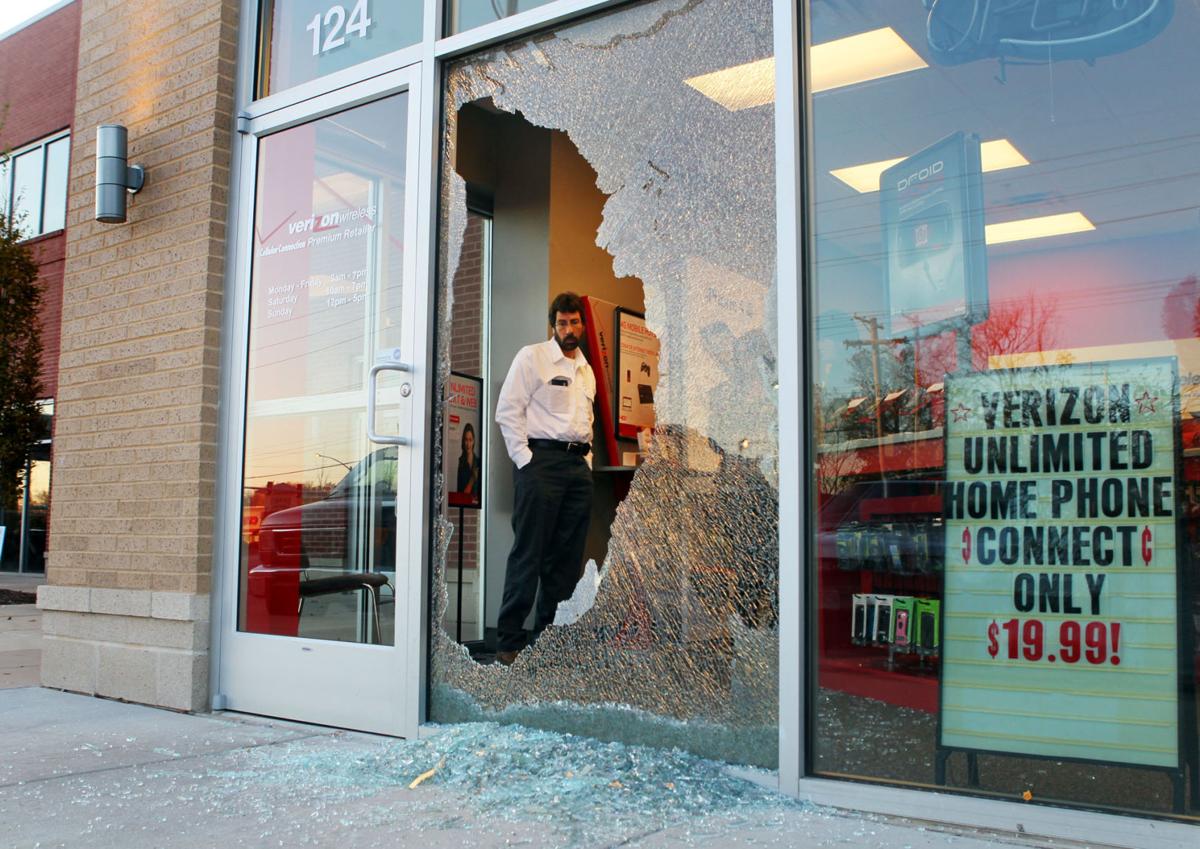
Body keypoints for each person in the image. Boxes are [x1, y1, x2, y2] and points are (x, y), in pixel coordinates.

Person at [493, 292, 596, 665]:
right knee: (529, 554)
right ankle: (508, 643)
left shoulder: (586, 371)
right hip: (541, 465)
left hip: (577, 468)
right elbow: (507, 411)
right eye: (562, 322)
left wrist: (587, 464)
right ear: (554, 325)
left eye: (574, 322)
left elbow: (587, 423)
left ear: (582, 325)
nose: (568, 329)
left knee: (566, 561)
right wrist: (525, 461)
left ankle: (547, 644)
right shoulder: (532, 357)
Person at [455, 422, 481, 498]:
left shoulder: (479, 462)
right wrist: (472, 479)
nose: (468, 444)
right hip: (465, 502)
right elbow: (460, 493)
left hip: (478, 504)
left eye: (470, 440)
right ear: (463, 441)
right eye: (466, 440)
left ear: (474, 441)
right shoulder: (461, 462)